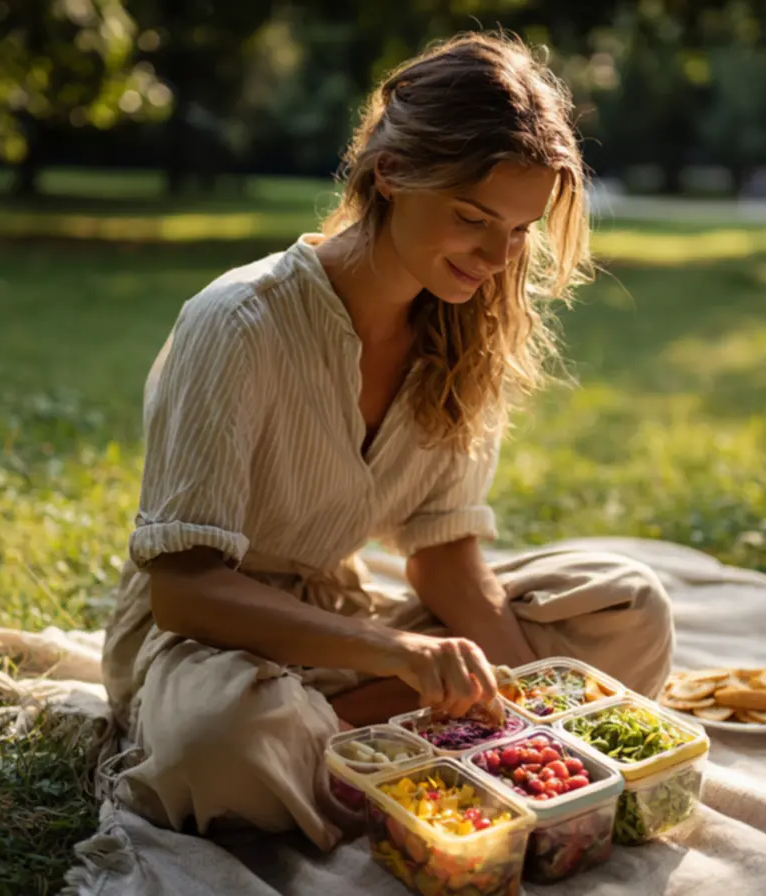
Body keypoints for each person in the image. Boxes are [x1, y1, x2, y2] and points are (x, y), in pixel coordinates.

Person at [100, 31, 676, 852]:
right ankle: (372, 750)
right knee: (220, 740)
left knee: (630, 609)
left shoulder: (470, 331)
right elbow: (186, 590)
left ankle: (369, 752)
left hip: (345, 633)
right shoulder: (236, 323)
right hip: (211, 648)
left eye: (520, 230)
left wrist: (524, 706)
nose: (497, 256)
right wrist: (401, 652)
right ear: (391, 172)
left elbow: (442, 555)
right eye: (473, 218)